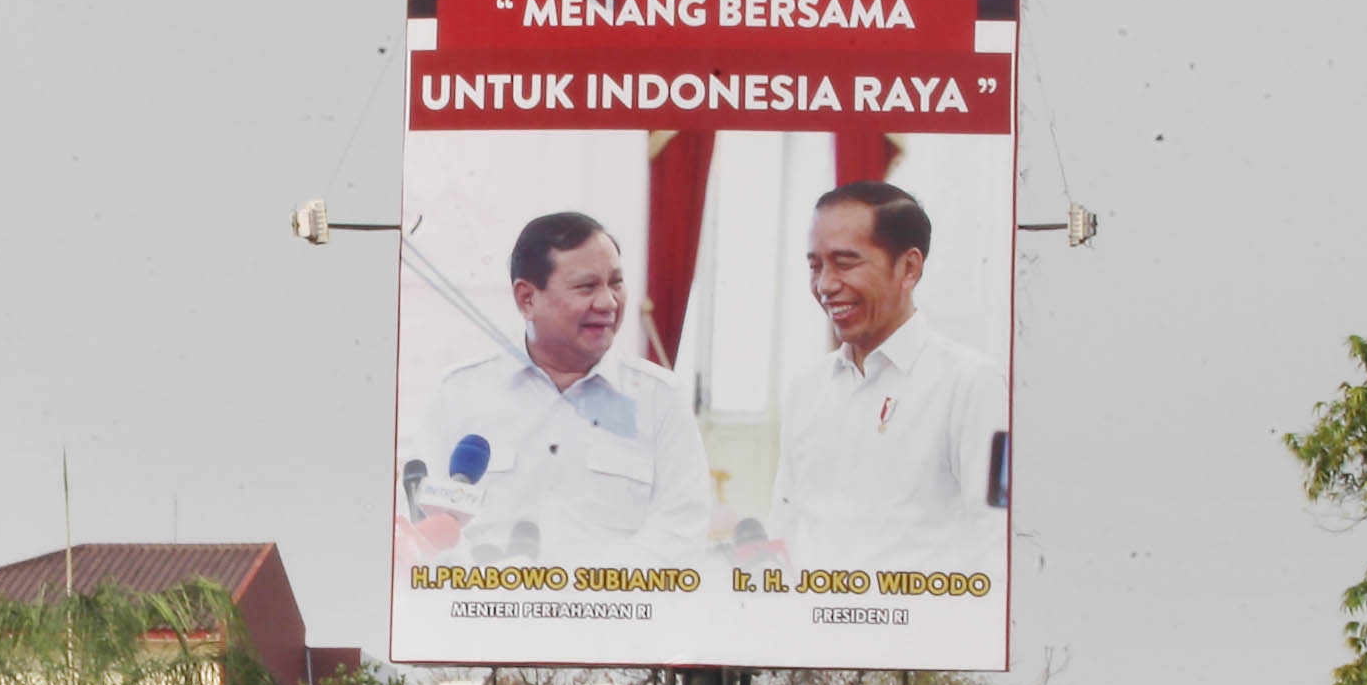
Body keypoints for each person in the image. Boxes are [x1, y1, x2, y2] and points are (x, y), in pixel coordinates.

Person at [403, 210, 718, 565]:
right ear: (527, 298)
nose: (608, 303)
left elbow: (680, 531)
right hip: (487, 611)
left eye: (615, 283)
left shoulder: (660, 398)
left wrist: (578, 591)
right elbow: (425, 526)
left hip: (614, 613)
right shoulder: (460, 393)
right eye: (586, 287)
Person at [768, 180, 1005, 573]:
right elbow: (785, 529)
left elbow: (996, 548)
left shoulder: (971, 384)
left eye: (845, 263)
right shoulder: (806, 388)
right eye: (815, 266)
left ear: (909, 267)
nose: (826, 285)